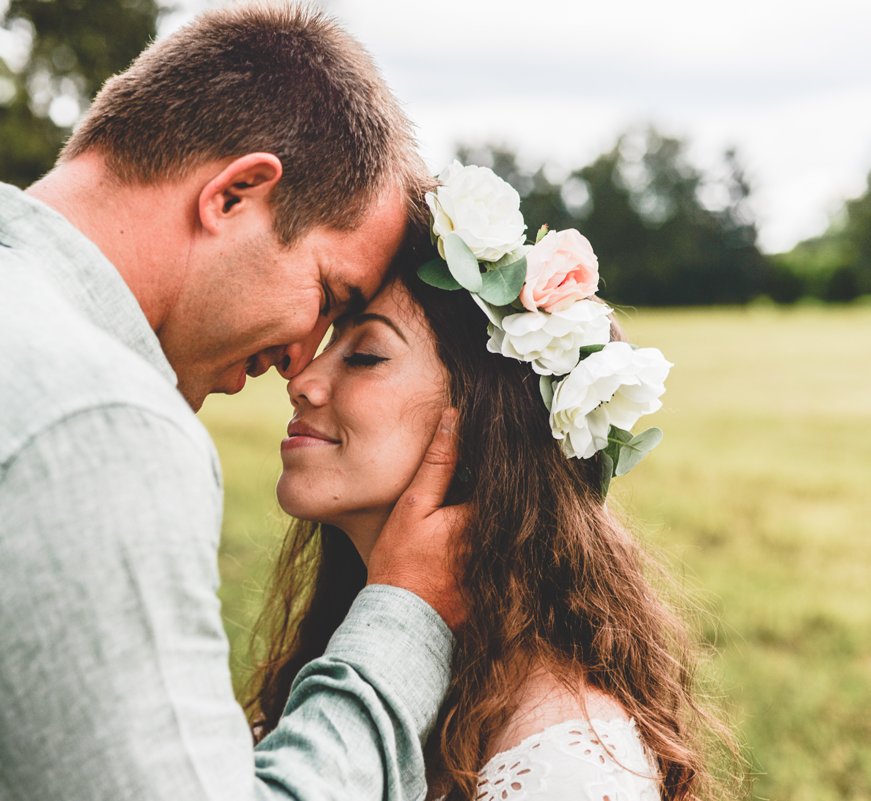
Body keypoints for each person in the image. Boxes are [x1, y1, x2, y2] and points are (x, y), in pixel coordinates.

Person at [0, 5, 466, 801]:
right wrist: (403, 620)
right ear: (235, 193)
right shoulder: (89, 420)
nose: (302, 358)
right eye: (327, 294)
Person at [248, 164, 741, 800]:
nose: (303, 380)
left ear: (488, 422)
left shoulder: (565, 768)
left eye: (366, 355)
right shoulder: (333, 654)